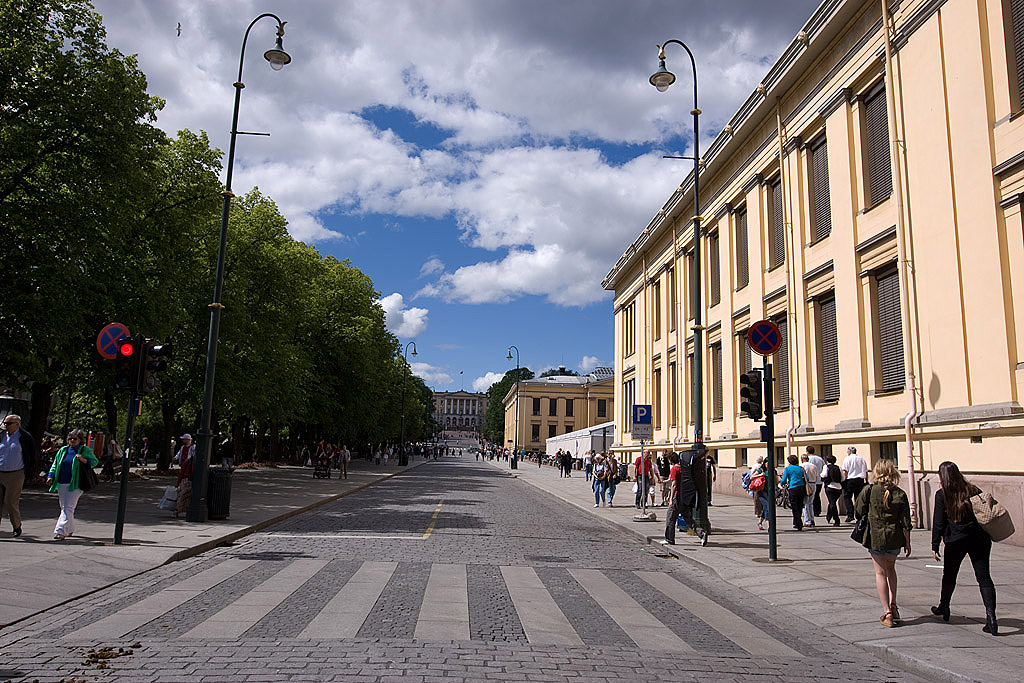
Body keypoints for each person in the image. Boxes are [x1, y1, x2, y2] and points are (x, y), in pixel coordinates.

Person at [930, 461, 999, 635]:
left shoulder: (942, 495)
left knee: (949, 575)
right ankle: (991, 617)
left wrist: (935, 544)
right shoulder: (973, 490)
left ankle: (944, 606)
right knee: (984, 577)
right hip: (979, 539)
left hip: (956, 540)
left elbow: (938, 522)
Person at [856, 458, 911, 628]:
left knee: (880, 573)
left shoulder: (869, 490)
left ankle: (887, 612)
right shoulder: (900, 493)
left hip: (875, 537)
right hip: (895, 537)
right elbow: (906, 521)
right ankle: (893, 604)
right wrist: (908, 542)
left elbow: (859, 510)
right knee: (891, 570)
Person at [44, 428, 98, 540]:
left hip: (76, 483)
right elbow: (55, 464)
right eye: (70, 438)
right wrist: (50, 476)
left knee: (68, 506)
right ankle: (69, 529)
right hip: (62, 482)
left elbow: (94, 462)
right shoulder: (63, 450)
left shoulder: (84, 450)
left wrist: (83, 459)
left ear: (80, 440)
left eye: (75, 439)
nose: (72, 441)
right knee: (65, 507)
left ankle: (60, 531)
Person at [0, 414, 39, 538]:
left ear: (17, 424)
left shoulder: (24, 437)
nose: (6, 426)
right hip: (1, 471)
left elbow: (32, 455)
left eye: (8, 423)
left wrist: (29, 472)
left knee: (10, 501)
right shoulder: (2, 436)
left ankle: (16, 526)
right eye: (5, 423)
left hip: (15, 473)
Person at [663, 451, 707, 546]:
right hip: (684, 496)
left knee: (670, 519)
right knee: (688, 519)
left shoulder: (674, 469)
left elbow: (674, 485)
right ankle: (701, 533)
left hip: (677, 496)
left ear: (670, 460)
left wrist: (670, 499)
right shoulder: (683, 468)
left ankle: (669, 539)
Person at [780, 454, 808, 531]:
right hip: (801, 488)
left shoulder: (788, 469)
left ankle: (798, 523)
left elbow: (784, 479)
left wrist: (780, 484)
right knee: (800, 505)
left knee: (794, 506)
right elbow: (807, 478)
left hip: (793, 488)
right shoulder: (801, 468)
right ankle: (796, 521)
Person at [842, 446, 868, 522]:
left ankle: (850, 514)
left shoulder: (847, 459)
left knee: (847, 497)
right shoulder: (861, 459)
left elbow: (845, 471)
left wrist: (844, 480)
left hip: (850, 480)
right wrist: (866, 481)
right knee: (858, 498)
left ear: (849, 452)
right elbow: (865, 471)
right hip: (860, 480)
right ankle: (859, 515)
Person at [175, 434, 195, 517]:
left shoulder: (193, 447)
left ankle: (178, 510)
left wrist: (178, 483)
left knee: (182, 495)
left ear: (188, 440)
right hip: (188, 474)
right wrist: (176, 457)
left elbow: (181, 474)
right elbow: (179, 453)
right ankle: (182, 510)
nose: (183, 441)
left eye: (184, 439)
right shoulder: (183, 447)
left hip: (186, 476)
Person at [822, 454, 844, 526]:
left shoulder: (826, 467)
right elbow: (843, 478)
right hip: (838, 487)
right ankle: (828, 516)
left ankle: (836, 519)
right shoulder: (838, 467)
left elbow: (824, 475)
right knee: (832, 502)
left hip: (830, 486)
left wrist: (821, 475)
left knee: (832, 503)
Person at [805, 446, 826, 517]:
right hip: (819, 480)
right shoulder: (819, 458)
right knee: (817, 496)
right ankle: (818, 510)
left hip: (810, 480)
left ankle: (812, 511)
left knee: (810, 497)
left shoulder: (808, 459)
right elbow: (824, 467)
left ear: (807, 451)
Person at [800, 453, 818, 528]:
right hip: (813, 484)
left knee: (805, 503)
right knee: (811, 503)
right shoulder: (813, 466)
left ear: (802, 459)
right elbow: (817, 476)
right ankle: (812, 519)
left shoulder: (802, 466)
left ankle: (807, 520)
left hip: (807, 484)